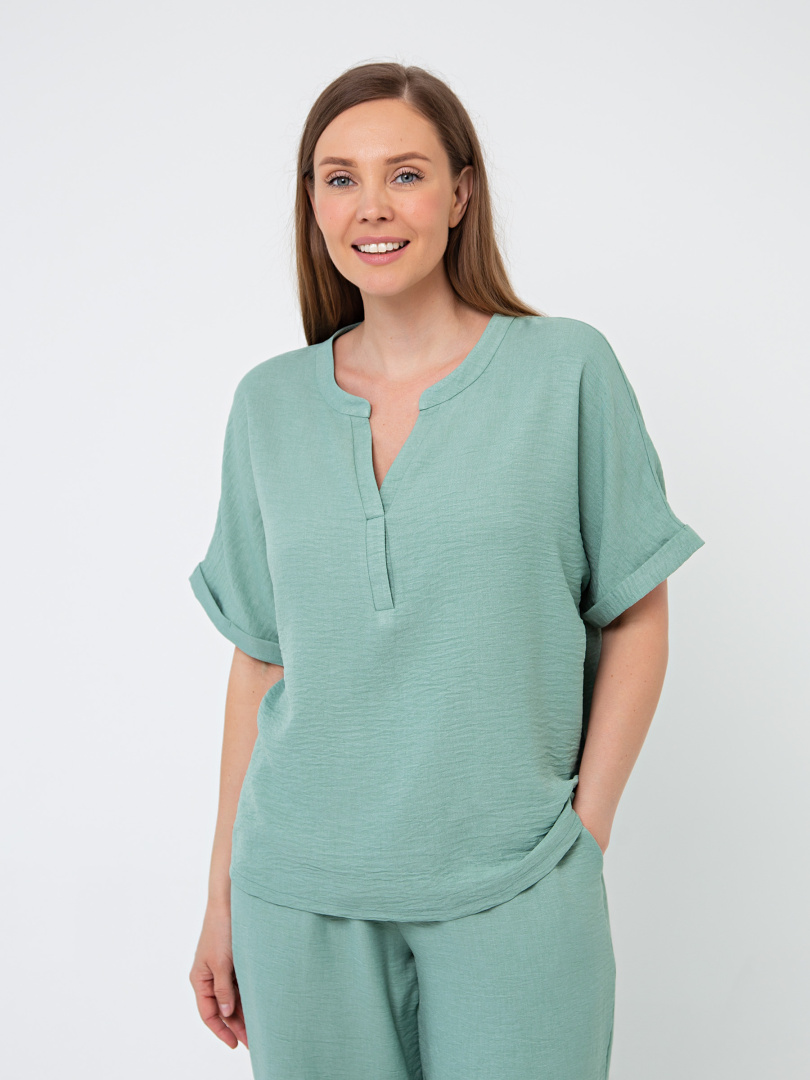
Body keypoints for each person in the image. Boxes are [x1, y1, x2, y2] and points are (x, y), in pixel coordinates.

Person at [187, 61, 705, 1080]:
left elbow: (636, 615)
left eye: (406, 174)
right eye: (340, 178)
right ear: (312, 203)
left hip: (515, 887)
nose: (371, 206)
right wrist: (221, 899)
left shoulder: (566, 371)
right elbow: (261, 660)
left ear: (462, 192)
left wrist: (581, 839)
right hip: (296, 893)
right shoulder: (268, 406)